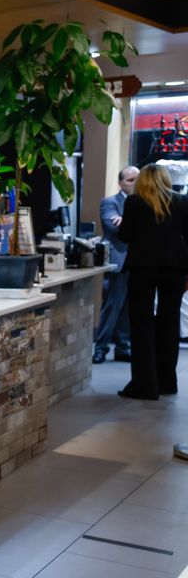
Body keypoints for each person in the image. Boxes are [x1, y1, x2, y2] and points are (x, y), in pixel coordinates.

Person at [116, 163, 188, 400]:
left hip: (142, 268)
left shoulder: (134, 203)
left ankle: (145, 385)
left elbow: (125, 236)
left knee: (141, 323)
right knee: (169, 322)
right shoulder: (181, 201)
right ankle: (167, 381)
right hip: (175, 268)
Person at [93, 165, 138, 364]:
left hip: (136, 262)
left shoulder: (142, 203)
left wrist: (127, 222)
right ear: (120, 183)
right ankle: (100, 348)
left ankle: (123, 348)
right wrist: (134, 226)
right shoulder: (109, 202)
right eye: (130, 180)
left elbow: (140, 230)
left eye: (137, 179)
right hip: (118, 261)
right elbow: (114, 228)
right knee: (112, 306)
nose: (134, 183)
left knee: (128, 308)